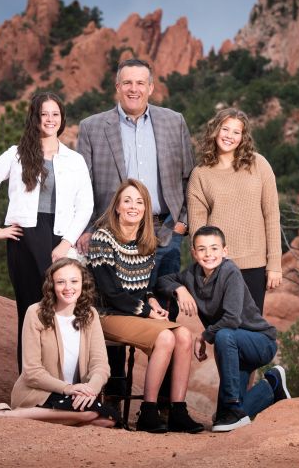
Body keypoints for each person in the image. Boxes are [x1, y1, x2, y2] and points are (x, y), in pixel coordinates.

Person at [0, 92, 93, 370]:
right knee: (30, 309)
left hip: (60, 240)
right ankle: (29, 382)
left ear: (62, 119)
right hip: (24, 241)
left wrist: (66, 243)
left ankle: (63, 382)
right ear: (35, 118)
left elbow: (86, 205)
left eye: (55, 114)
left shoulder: (74, 160)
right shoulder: (16, 155)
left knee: (63, 310)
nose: (50, 120)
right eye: (44, 114)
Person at [87, 179, 204, 434]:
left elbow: (144, 287)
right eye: (127, 200)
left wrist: (151, 300)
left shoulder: (146, 241)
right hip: (106, 314)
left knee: (184, 335)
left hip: (134, 314)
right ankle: (148, 412)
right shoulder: (102, 239)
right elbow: (111, 292)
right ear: (117, 206)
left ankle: (177, 410)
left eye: (139, 202)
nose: (133, 206)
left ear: (146, 208)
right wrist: (149, 312)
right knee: (164, 337)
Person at [156, 226, 291, 432]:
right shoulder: (192, 275)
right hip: (233, 347)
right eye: (202, 249)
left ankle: (233, 406)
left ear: (224, 251)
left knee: (223, 335)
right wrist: (180, 289)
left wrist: (203, 336)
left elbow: (231, 319)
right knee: (223, 421)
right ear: (194, 253)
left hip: (259, 342)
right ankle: (271, 386)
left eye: (214, 248)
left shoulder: (230, 272)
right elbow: (163, 280)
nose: (208, 254)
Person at [76, 57, 195, 279]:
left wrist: (183, 223)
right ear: (118, 87)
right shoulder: (91, 127)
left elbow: (189, 177)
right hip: (112, 232)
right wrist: (88, 229)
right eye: (127, 83)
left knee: (164, 299)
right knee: (120, 302)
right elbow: (83, 187)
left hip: (166, 231)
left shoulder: (174, 121)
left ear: (150, 87)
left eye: (140, 83)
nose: (134, 89)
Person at [0, 258, 118, 427]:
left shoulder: (90, 314)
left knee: (107, 420)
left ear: (83, 283)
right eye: (61, 282)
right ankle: (7, 415)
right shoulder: (35, 313)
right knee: (91, 414)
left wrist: (90, 390)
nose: (68, 288)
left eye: (74, 281)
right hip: (39, 391)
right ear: (52, 285)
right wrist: (67, 388)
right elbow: (32, 372)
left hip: (76, 393)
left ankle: (55, 418)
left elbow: (100, 365)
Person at [187, 108, 282, 313]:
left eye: (236, 132)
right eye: (225, 129)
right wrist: (205, 268)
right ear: (215, 131)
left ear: (243, 137)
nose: (229, 136)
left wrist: (274, 264)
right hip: (218, 267)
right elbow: (197, 230)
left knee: (250, 329)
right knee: (225, 331)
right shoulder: (201, 174)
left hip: (255, 265)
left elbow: (272, 215)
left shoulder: (259, 165)